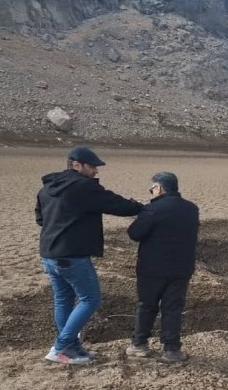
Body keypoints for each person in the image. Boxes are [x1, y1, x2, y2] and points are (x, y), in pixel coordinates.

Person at [35, 146, 143, 364]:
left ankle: (71, 347)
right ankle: (62, 347)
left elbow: (40, 219)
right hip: (71, 256)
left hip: (49, 253)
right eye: (92, 166)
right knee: (90, 299)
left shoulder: (46, 188)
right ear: (77, 165)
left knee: (63, 299)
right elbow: (115, 204)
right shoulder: (82, 187)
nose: (96, 171)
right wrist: (142, 208)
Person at [126, 172, 199, 363]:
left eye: (152, 189)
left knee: (146, 305)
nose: (151, 192)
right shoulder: (192, 209)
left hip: (152, 268)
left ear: (158, 188)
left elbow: (134, 233)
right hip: (181, 268)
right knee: (173, 308)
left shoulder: (153, 209)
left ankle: (139, 344)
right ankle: (171, 349)